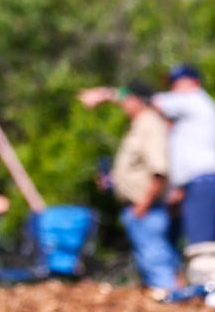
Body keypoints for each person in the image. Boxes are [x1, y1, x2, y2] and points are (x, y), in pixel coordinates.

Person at [76, 80, 180, 294]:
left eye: (127, 99)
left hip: (146, 208)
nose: (123, 103)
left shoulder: (150, 124)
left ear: (137, 100)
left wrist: (143, 204)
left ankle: (173, 303)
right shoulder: (140, 124)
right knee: (151, 266)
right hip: (140, 208)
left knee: (157, 265)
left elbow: (159, 170)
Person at [153, 62, 215, 245]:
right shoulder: (212, 113)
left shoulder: (194, 100)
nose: (173, 87)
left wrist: (109, 94)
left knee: (201, 252)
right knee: (203, 250)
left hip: (201, 185)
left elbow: (150, 101)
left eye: (177, 81)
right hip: (208, 185)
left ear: (194, 82)